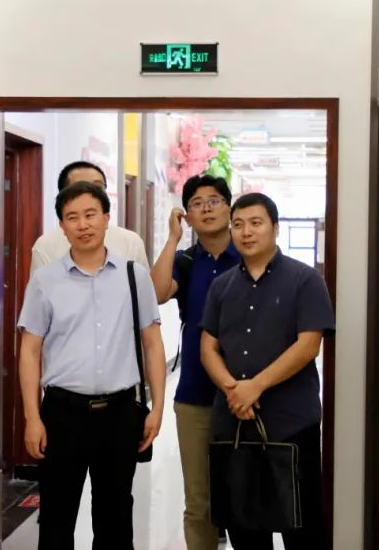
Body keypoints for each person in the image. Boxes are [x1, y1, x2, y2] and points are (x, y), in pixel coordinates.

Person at [18, 181, 167, 549]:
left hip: (120, 414)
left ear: (106, 218)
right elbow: (29, 352)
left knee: (115, 518)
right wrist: (33, 417)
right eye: (72, 217)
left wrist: (157, 408)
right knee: (56, 517)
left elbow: (152, 343)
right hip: (62, 413)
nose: (83, 224)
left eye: (90, 214)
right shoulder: (44, 281)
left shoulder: (134, 276)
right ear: (62, 226)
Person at [199, 192, 334, 550]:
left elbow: (309, 345)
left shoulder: (305, 280)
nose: (246, 232)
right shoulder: (221, 286)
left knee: (303, 531)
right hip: (235, 426)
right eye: (238, 225)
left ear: (275, 227)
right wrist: (233, 390)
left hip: (291, 425)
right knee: (245, 530)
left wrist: (255, 386)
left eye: (256, 223)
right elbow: (208, 347)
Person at [150, 174, 238, 550]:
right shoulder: (186, 262)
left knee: (243, 500)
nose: (206, 208)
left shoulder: (249, 256)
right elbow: (156, 292)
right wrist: (172, 239)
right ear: (187, 214)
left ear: (229, 207)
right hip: (195, 395)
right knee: (198, 502)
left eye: (214, 200)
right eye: (197, 203)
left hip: (248, 393)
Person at [29, 160, 149, 275]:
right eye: (81, 188)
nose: (91, 194)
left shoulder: (130, 242)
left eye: (98, 187)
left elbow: (143, 287)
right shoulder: (45, 246)